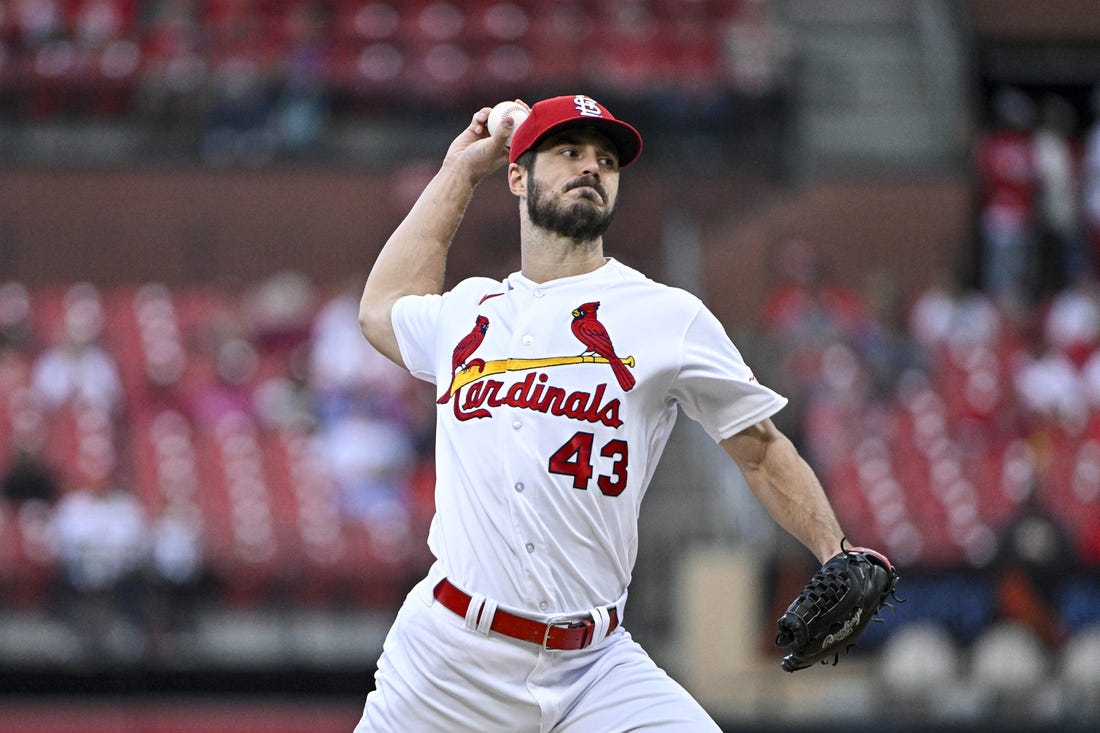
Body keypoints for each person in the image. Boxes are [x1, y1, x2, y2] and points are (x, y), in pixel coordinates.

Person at [354, 94, 857, 731]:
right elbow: (381, 309)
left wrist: (836, 550)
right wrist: (461, 170)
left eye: (607, 159)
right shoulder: (469, 311)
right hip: (448, 664)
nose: (591, 166)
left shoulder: (666, 316)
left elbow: (759, 448)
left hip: (595, 667)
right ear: (518, 177)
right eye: (568, 152)